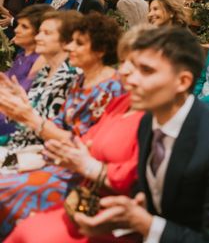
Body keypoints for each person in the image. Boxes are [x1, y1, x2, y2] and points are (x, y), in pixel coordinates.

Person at [72, 26, 209, 241]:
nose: (130, 79)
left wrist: (146, 224)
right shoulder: (148, 121)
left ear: (182, 82)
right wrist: (128, 213)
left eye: (147, 71)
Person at [5, 28, 145, 243]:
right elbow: (71, 133)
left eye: (78, 43)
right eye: (124, 61)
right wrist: (28, 110)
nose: (69, 47)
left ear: (99, 50)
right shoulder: (79, 81)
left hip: (79, 180)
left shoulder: (113, 88)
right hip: (63, 162)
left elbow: (80, 143)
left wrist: (30, 117)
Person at [0, 5, 49, 138]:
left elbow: (24, 94)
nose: (16, 30)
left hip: (13, 119)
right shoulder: (23, 55)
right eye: (19, 25)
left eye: (24, 27)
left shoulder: (41, 59)